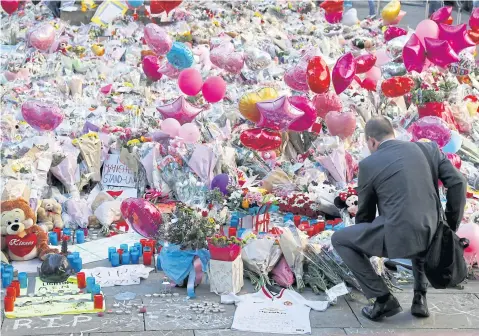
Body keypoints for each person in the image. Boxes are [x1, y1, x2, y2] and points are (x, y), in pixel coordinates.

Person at [331, 117, 466, 321]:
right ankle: (420, 298)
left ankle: (382, 298)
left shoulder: (369, 163)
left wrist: (365, 244)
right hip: (432, 232)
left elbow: (365, 214)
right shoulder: (428, 149)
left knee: (340, 239)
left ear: (372, 141)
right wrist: (449, 225)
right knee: (415, 225)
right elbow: (458, 182)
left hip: (399, 234)